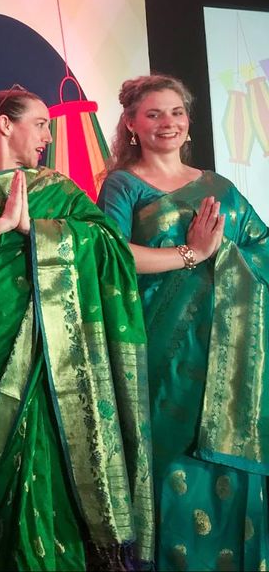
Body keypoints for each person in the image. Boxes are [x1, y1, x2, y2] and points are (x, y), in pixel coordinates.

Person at [0, 85, 153, 571]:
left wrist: (38, 229)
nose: (48, 137)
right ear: (5, 124)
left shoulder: (55, 185)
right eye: (41, 124)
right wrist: (4, 224)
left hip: (48, 346)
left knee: (43, 456)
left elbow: (108, 244)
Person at [97, 74, 269, 572]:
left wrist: (225, 253)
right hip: (160, 351)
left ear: (189, 122)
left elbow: (262, 248)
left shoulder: (220, 187)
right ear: (131, 124)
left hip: (226, 354)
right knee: (170, 465)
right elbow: (110, 258)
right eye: (153, 114)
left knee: (225, 470)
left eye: (175, 112)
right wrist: (192, 252)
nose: (166, 123)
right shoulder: (123, 185)